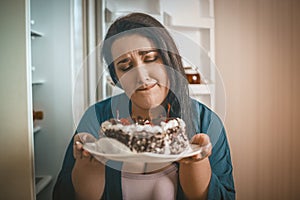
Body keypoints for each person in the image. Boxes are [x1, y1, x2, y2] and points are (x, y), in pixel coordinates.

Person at [53, 12, 235, 200]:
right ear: (116, 78)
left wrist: (196, 163)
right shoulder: (96, 118)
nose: (140, 75)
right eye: (125, 66)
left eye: (150, 58)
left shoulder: (207, 121)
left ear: (168, 60)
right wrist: (87, 167)